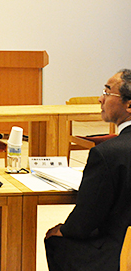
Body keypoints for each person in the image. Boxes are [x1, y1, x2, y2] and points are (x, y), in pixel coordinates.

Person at [45, 69, 131, 271]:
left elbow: (86, 218)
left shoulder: (107, 154)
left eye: (108, 92)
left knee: (56, 239)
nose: (101, 99)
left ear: (129, 104)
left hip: (116, 252)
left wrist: (63, 231)